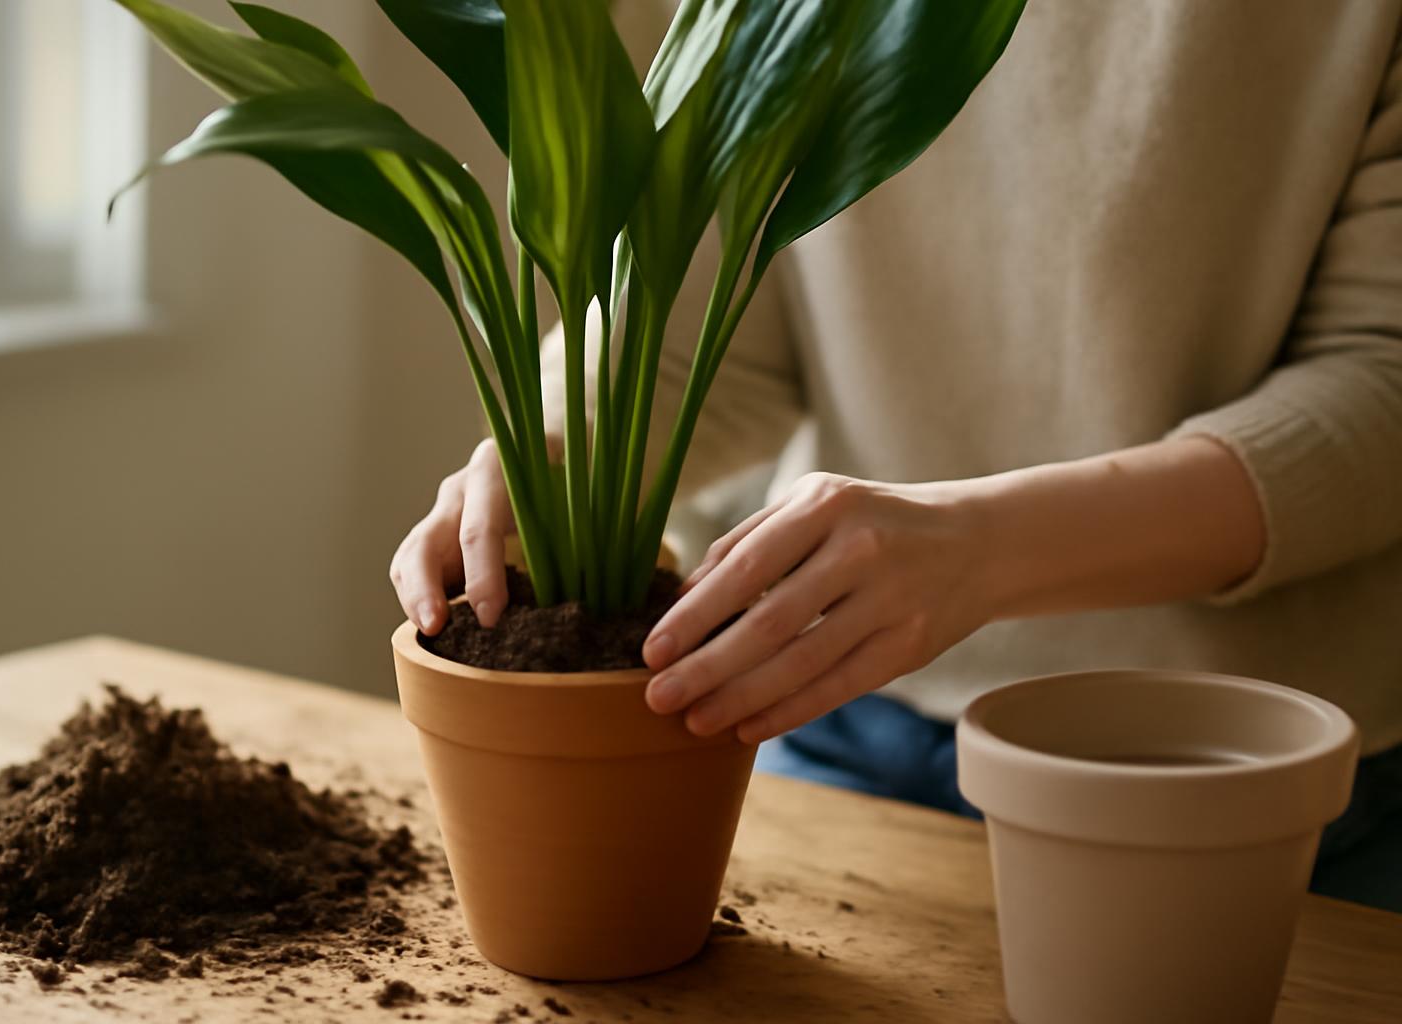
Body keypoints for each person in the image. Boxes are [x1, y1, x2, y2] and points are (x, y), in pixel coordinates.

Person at [391, 4, 1402, 912]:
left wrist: (986, 549)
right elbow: (698, 331)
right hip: (828, 706)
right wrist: (542, 456)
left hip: (1247, 767)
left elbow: (1384, 378)